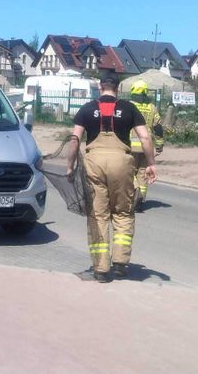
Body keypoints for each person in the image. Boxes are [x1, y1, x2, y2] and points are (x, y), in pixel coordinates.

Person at [68, 74, 156, 283]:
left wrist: (70, 165)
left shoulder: (87, 109)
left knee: (98, 215)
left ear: (100, 87)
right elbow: (145, 137)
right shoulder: (129, 108)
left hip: (94, 163)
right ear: (118, 88)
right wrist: (151, 163)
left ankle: (100, 269)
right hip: (122, 163)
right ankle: (120, 263)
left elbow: (74, 139)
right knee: (123, 212)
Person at [128, 81, 164, 209]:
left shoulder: (129, 106)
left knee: (129, 171)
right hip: (146, 146)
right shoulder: (152, 107)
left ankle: (134, 190)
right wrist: (159, 145)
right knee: (143, 172)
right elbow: (158, 128)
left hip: (130, 145)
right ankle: (140, 199)